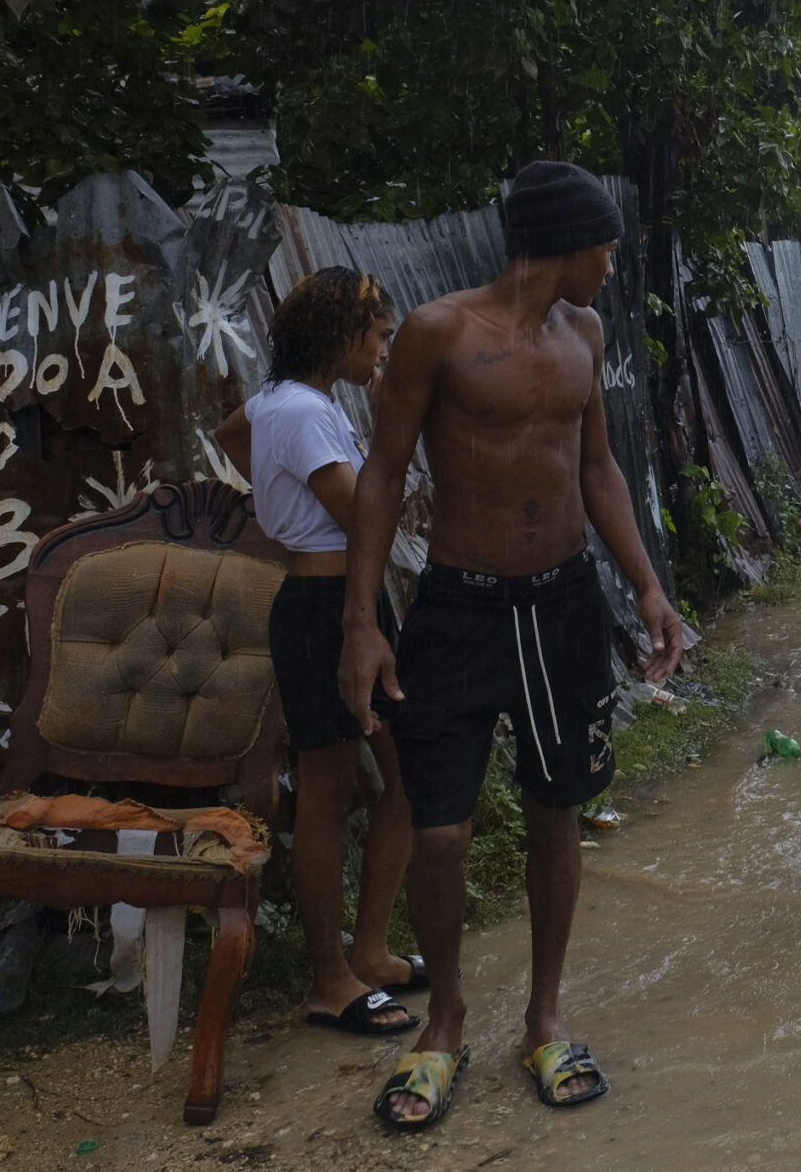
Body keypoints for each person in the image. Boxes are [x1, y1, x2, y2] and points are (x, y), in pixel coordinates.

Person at [338, 161, 683, 1131]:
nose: (612, 264)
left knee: (553, 813)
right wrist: (361, 622)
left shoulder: (584, 333)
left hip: (561, 605)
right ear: (567, 243)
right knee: (439, 830)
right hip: (459, 607)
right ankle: (443, 1017)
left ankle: (543, 1014)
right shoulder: (440, 332)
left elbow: (598, 468)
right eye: (605, 246)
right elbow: (381, 473)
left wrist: (649, 586)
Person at [213, 269, 423, 1038]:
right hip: (323, 610)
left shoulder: (283, 404)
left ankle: (369, 951)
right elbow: (360, 507)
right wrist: (397, 445)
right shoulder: (303, 411)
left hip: (342, 604)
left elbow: (234, 434)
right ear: (343, 337)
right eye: (378, 337)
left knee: (403, 776)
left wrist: (277, 500)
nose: (385, 350)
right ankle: (331, 978)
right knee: (331, 791)